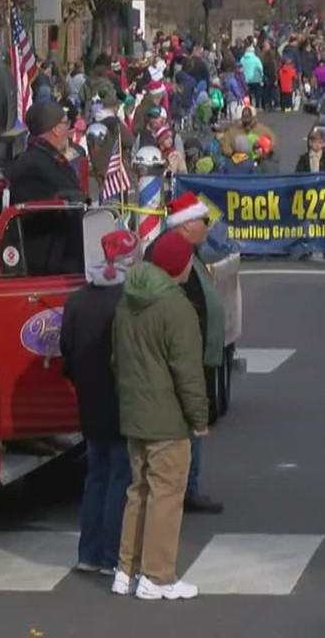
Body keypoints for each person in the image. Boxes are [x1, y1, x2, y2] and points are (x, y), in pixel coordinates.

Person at [111, 229, 208, 601]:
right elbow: (189, 372)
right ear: (180, 267)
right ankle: (158, 576)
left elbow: (117, 361)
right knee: (167, 496)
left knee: (139, 492)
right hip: (168, 418)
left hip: (135, 413)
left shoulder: (127, 301)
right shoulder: (177, 307)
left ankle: (127, 569)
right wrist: (199, 419)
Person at [62, 229, 141, 577]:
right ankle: (111, 554)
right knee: (119, 478)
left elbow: (66, 349)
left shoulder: (77, 301)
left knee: (96, 476)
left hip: (89, 399)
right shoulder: (130, 301)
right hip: (122, 400)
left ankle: (88, 552)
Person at [146, 192, 225, 514]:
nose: (208, 226)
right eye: (204, 221)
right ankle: (184, 487)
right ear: (187, 224)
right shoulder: (170, 255)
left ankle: (187, 484)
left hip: (197, 353)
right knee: (191, 422)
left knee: (194, 420)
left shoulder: (191, 252)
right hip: (183, 356)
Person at [5, 101, 84, 204]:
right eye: (66, 123)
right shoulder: (32, 167)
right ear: (55, 129)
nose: (69, 129)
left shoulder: (50, 159)